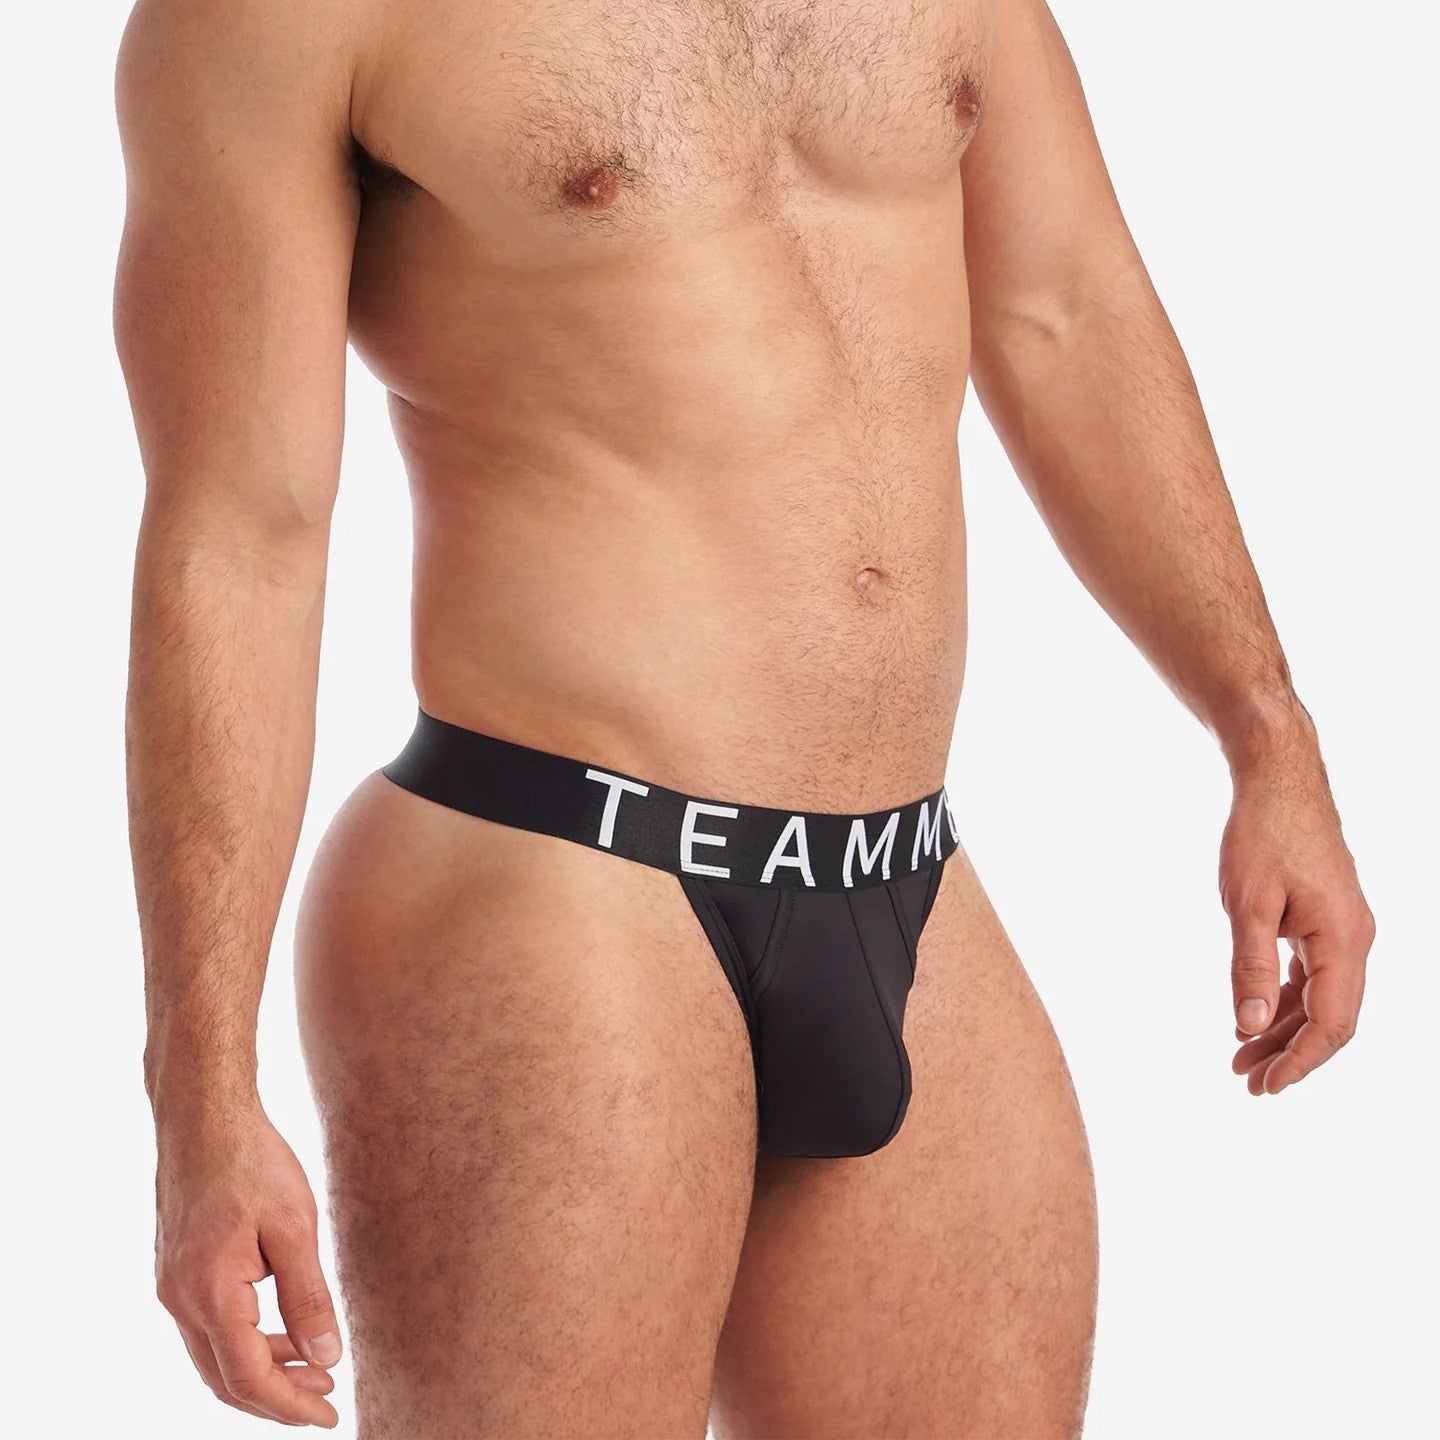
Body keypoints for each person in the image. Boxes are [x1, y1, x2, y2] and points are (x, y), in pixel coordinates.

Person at [115, 0, 1375, 1432]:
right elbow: (239, 530)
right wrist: (198, 1093)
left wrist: (1268, 733)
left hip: (912, 878)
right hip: (556, 881)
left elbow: (1065, 310)